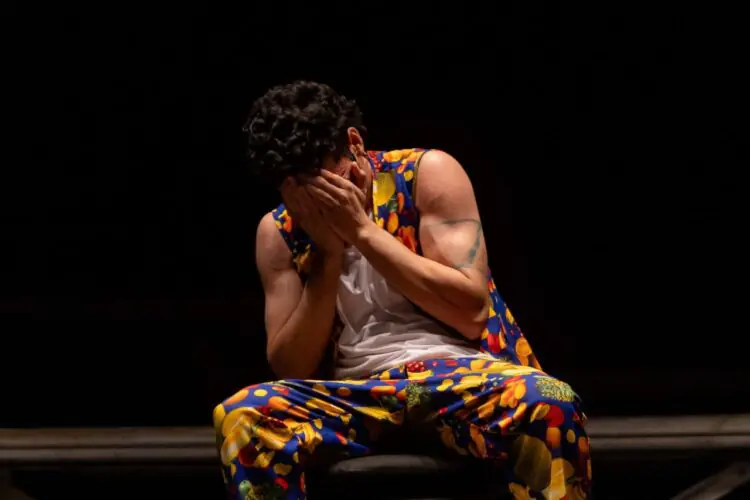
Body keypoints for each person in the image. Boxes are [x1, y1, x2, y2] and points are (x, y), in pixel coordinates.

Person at [214, 81, 591, 500]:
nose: (315, 200)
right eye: (297, 190)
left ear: (353, 144)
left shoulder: (425, 175)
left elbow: (471, 312)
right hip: (356, 395)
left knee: (550, 400)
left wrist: (361, 231)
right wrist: (328, 255)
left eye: (324, 181)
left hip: (459, 381)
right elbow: (292, 366)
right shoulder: (278, 232)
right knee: (241, 415)